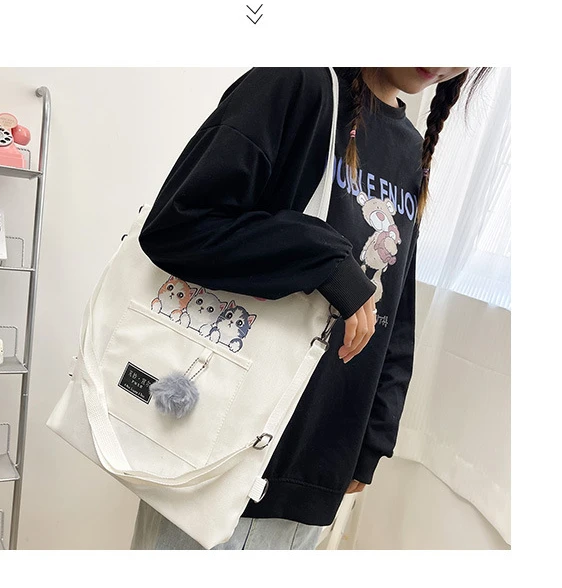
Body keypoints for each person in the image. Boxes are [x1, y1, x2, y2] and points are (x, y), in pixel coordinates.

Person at [132, 67, 492, 550]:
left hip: (320, 466)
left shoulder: (410, 146)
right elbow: (177, 226)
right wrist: (327, 260)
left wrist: (373, 437)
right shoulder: (294, 82)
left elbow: (396, 307)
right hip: (220, 457)